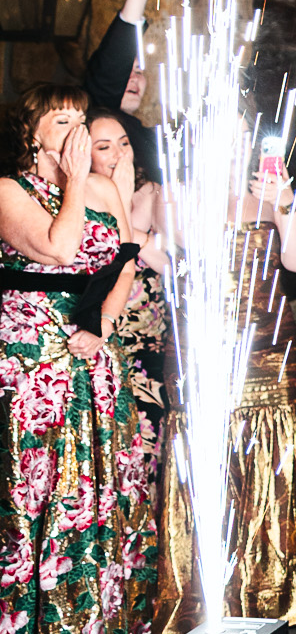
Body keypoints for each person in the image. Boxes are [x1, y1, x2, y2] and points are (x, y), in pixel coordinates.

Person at [152, 155, 296, 632]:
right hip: (203, 352)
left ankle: (283, 588)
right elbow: (152, 243)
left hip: (269, 348)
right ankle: (210, 593)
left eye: (240, 137)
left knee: (274, 460)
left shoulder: (272, 195)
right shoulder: (175, 194)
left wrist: (285, 204)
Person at [0, 87, 152, 634]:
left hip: (91, 349)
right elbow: (59, 247)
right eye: (60, 119)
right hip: (32, 356)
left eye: (80, 119)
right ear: (31, 133)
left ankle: (89, 623)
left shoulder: (104, 187)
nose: (76, 128)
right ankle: (24, 630)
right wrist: (71, 180)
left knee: (95, 480)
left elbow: (124, 259)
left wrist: (106, 323)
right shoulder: (9, 191)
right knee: (34, 482)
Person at [87, 113, 171, 490]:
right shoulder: (77, 203)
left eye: (123, 142)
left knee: (149, 456)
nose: (119, 153)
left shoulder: (153, 193)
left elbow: (171, 263)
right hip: (99, 344)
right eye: (104, 147)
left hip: (148, 350)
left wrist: (123, 215)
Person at [84, 0, 164, 183]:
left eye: (139, 71)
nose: (133, 79)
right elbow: (112, 65)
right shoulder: (95, 114)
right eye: (125, 71)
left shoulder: (149, 138)